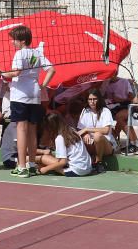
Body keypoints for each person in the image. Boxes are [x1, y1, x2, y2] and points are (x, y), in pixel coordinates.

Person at [6, 24, 54, 177]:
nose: (12, 42)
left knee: (21, 130)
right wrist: (42, 85)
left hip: (20, 96)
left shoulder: (20, 54)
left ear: (22, 40)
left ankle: (21, 167)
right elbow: (51, 69)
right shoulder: (37, 53)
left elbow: (16, 72)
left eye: (14, 40)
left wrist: (1, 73)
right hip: (35, 95)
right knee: (32, 131)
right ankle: (32, 165)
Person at [36, 112, 92, 177]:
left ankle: (31, 162)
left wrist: (45, 169)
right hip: (88, 168)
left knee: (45, 158)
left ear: (51, 127)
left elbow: (63, 162)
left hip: (76, 171)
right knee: (50, 160)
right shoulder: (72, 130)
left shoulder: (59, 138)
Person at [77, 88, 116, 162]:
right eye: (90, 99)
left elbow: (106, 130)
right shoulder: (85, 111)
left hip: (106, 145)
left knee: (97, 135)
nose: (92, 102)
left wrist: (87, 129)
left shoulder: (105, 111)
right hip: (91, 143)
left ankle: (98, 162)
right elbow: (80, 129)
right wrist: (85, 134)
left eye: (94, 99)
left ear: (99, 99)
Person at [102, 75, 135, 151]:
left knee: (120, 117)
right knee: (104, 118)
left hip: (124, 106)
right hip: (111, 107)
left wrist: (120, 99)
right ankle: (133, 142)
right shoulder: (105, 83)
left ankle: (133, 143)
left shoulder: (125, 82)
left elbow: (131, 98)